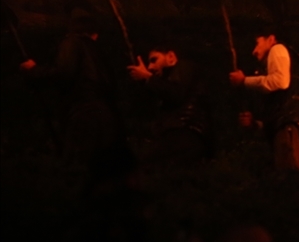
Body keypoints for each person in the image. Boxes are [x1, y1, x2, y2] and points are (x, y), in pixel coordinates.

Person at [19, 10, 120, 161]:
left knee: (78, 162)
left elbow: (63, 73)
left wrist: (33, 70)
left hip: (84, 112)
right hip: (107, 116)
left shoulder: (73, 42)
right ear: (95, 34)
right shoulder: (100, 53)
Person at [228, 27, 299, 171]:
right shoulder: (285, 60)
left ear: (270, 39)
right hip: (293, 127)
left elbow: (280, 81)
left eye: (257, 44)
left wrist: (244, 81)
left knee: (293, 180)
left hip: (291, 128)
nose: (254, 51)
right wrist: (255, 124)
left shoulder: (277, 49)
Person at [127, 43, 210, 165]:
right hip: (180, 135)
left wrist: (148, 78)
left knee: (146, 166)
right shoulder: (163, 82)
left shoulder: (184, 67)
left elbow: (176, 94)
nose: (150, 67)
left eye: (154, 60)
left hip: (187, 132)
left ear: (170, 56)